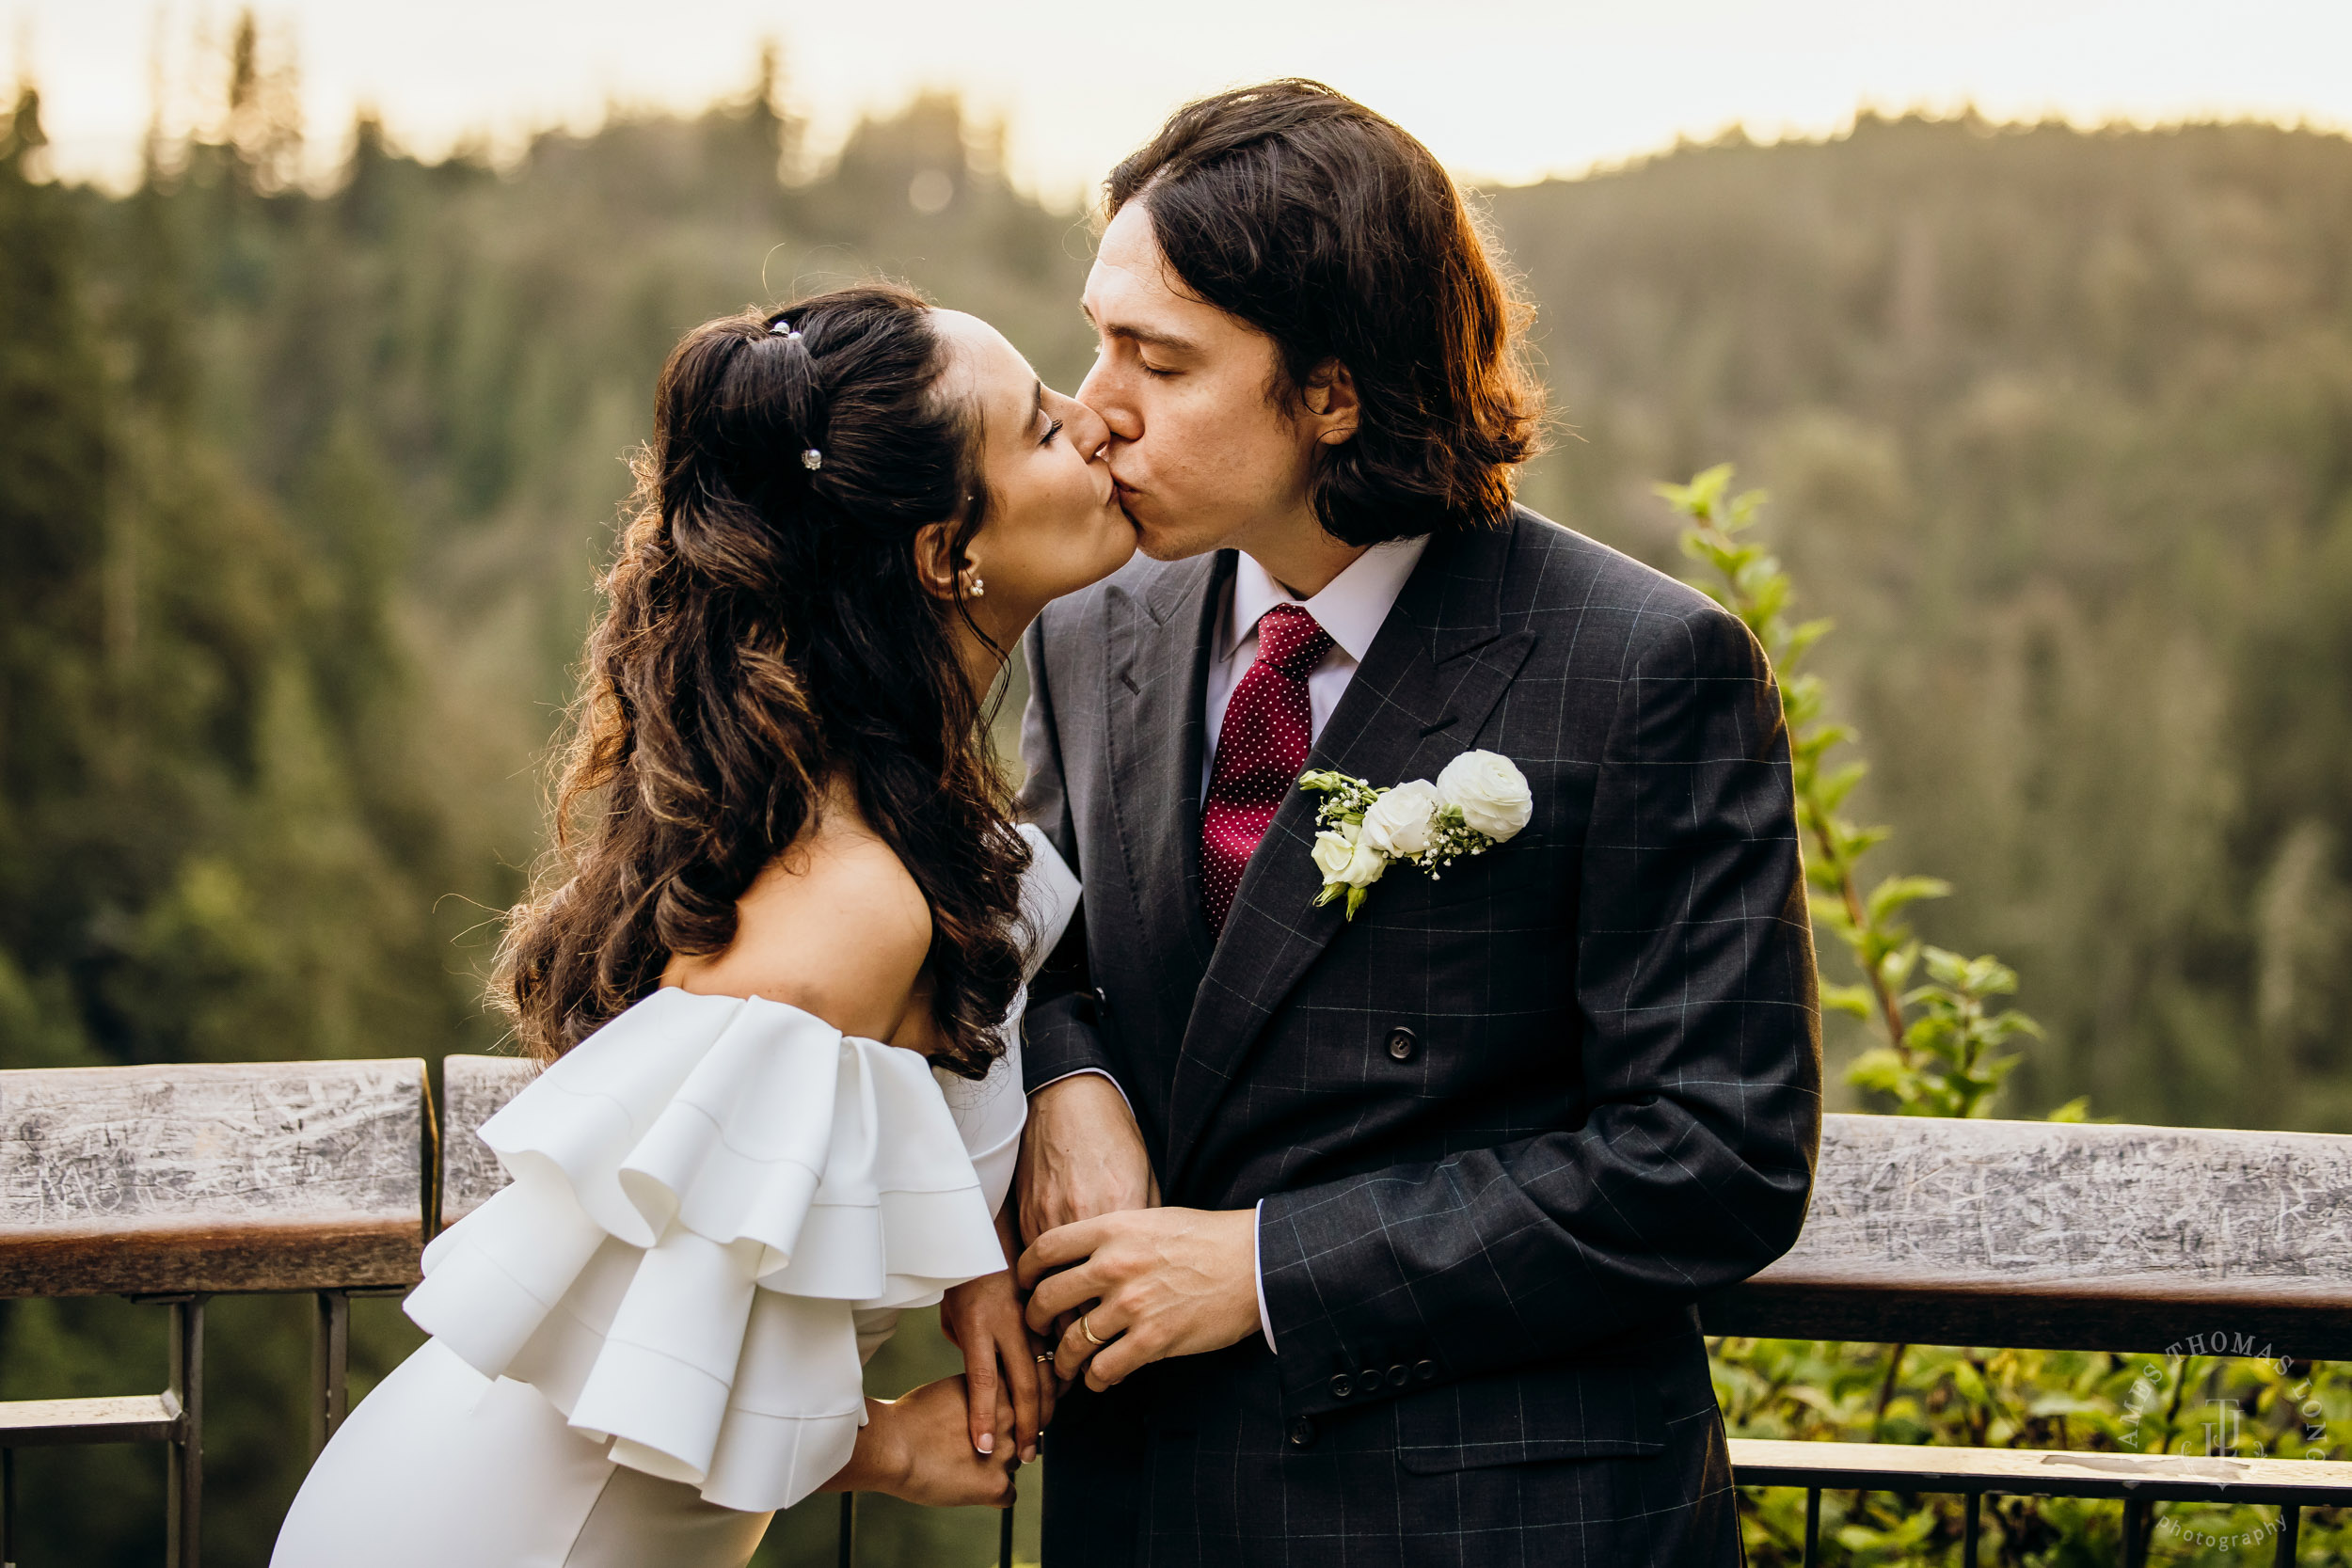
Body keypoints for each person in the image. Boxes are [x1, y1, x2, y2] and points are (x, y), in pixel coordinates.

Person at [1010, 82, 1823, 1565]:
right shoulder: (1091, 627)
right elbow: (1037, 940)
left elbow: (1714, 1158)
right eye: (1099, 336)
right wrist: (1069, 1082)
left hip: (1496, 1517)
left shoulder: (1645, 669)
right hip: (1147, 1505)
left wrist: (1266, 1270)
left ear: (1333, 393)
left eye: (1160, 360)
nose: (1093, 403)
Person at [271, 283, 1137, 1567]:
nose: (1098, 423)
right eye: (1046, 427)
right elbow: (640, 1332)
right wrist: (890, 1446)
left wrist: (974, 1268)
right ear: (948, 548)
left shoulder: (874, 822)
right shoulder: (847, 905)